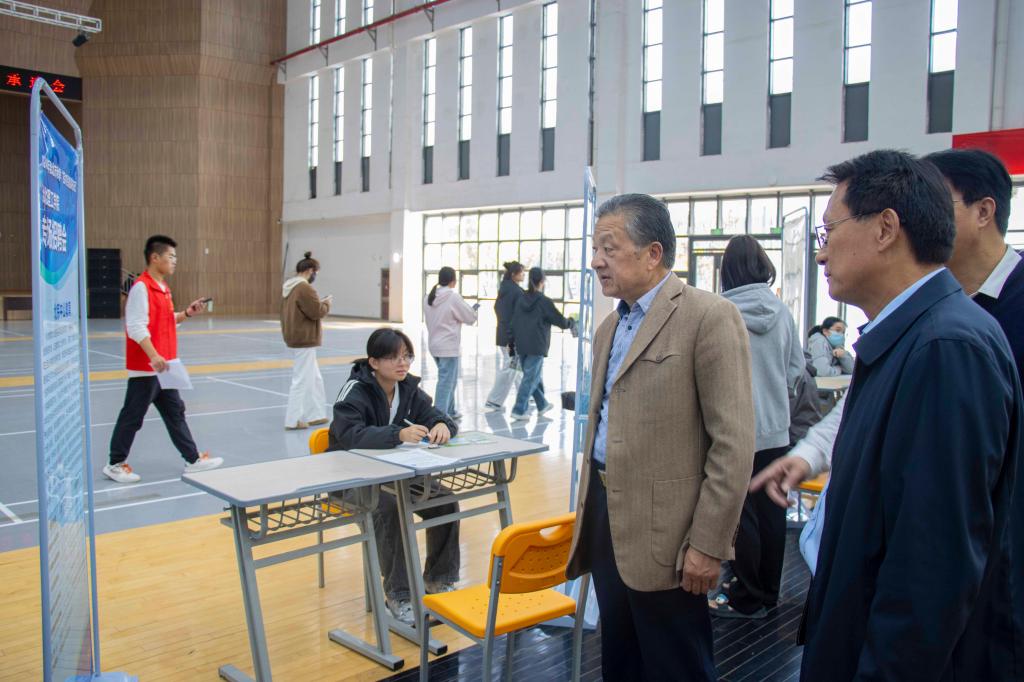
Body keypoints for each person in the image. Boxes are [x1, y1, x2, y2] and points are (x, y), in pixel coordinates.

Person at [753, 147, 1024, 676]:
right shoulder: (913, 335)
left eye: (829, 231)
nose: (821, 255)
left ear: (885, 229)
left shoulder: (946, 348)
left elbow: (931, 569)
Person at [564, 193, 755, 681]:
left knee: (676, 664)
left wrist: (708, 545)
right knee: (620, 658)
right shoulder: (610, 327)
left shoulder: (707, 317)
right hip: (607, 518)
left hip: (672, 534)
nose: (596, 261)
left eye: (609, 248)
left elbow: (732, 445)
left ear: (653, 254)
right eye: (595, 248)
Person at [328, 328, 460, 625]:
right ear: (373, 362)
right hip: (351, 480)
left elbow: (436, 414)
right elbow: (349, 435)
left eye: (407, 356)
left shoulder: (407, 388)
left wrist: (443, 425)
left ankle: (439, 579)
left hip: (393, 477)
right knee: (388, 508)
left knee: (445, 501)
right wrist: (396, 434)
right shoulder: (355, 391)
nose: (403, 363)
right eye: (393, 357)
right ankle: (399, 595)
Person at [709, 236, 803, 619]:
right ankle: (767, 593)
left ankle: (745, 598)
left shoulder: (720, 312)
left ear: (728, 271)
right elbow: (797, 370)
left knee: (740, 514)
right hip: (776, 430)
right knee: (771, 513)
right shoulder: (781, 311)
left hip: (735, 430)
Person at [103, 235, 223, 484]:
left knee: (175, 413)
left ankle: (192, 459)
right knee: (132, 416)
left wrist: (187, 313)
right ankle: (114, 464)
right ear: (155, 257)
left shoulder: (164, 289)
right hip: (147, 368)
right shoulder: (141, 288)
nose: (175, 261)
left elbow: (166, 321)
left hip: (166, 367)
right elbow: (136, 327)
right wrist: (153, 355)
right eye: (171, 256)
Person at [508, 267, 574, 422]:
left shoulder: (520, 299)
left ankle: (542, 404)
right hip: (536, 345)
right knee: (530, 377)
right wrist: (570, 322)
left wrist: (511, 342)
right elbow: (560, 321)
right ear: (542, 281)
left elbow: (513, 322)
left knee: (533, 376)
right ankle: (519, 409)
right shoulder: (544, 301)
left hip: (521, 343)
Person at [281, 251, 332, 430]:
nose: (315, 276)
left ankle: (316, 414)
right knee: (301, 379)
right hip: (304, 338)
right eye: (316, 272)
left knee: (314, 378)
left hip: (296, 336)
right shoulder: (304, 288)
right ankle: (292, 420)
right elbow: (316, 311)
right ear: (310, 271)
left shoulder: (290, 286)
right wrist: (327, 303)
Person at [423, 266, 477, 419]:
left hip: (434, 345)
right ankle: (438, 418)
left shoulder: (428, 297)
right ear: (453, 281)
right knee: (446, 382)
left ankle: (451, 410)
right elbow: (470, 318)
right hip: (448, 347)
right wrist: (473, 311)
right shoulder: (453, 297)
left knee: (449, 380)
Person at [483, 261, 525, 412]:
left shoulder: (505, 289)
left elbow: (499, 310)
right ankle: (493, 401)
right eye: (521, 272)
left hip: (504, 334)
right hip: (511, 337)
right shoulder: (516, 292)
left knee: (516, 367)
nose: (524, 274)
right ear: (514, 274)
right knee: (511, 367)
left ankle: (526, 396)